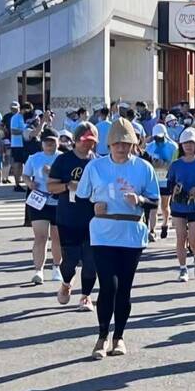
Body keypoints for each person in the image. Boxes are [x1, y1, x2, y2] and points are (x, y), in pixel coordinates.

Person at [76, 117, 160, 360]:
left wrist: (141, 201)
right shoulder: (95, 167)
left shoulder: (143, 168)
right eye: (117, 144)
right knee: (108, 286)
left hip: (131, 232)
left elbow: (155, 200)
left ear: (133, 144)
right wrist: (94, 207)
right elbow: (81, 198)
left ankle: (119, 336)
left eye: (126, 143)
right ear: (109, 145)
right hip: (103, 231)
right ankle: (102, 336)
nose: (122, 148)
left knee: (124, 288)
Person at [48, 122, 99, 311]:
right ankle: (66, 283)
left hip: (93, 218)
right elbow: (51, 186)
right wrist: (68, 186)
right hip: (68, 217)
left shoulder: (98, 162)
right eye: (85, 141)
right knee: (69, 260)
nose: (88, 145)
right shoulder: (63, 161)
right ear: (76, 140)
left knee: (90, 259)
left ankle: (86, 296)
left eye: (92, 141)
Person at [23, 127, 63, 284]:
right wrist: (29, 182)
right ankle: (38, 270)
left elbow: (67, 177)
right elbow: (26, 174)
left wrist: (52, 171)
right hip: (39, 201)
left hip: (58, 200)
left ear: (58, 143)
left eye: (52, 142)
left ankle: (56, 267)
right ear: (42, 143)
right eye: (47, 142)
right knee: (40, 236)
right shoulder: (34, 158)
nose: (50, 145)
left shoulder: (63, 158)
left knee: (57, 237)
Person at [168, 127, 195, 282]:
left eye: (191, 142)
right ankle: (183, 269)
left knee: (193, 239)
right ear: (181, 145)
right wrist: (175, 189)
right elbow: (169, 183)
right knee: (180, 237)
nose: (188, 146)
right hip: (178, 205)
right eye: (185, 143)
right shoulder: (175, 164)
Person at [146, 124, 178, 239]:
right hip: (153, 180)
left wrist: (164, 164)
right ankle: (152, 230)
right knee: (153, 206)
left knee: (165, 205)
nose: (158, 139)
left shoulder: (173, 147)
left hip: (166, 180)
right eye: (156, 137)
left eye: (160, 137)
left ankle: (165, 223)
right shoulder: (149, 147)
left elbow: (175, 164)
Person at [9, 101, 27, 192]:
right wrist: (25, 131)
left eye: (15, 108)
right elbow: (13, 131)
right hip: (17, 144)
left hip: (25, 144)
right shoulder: (15, 118)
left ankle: (22, 181)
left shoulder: (24, 118)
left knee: (24, 164)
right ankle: (17, 184)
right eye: (12, 109)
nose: (14, 110)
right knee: (18, 164)